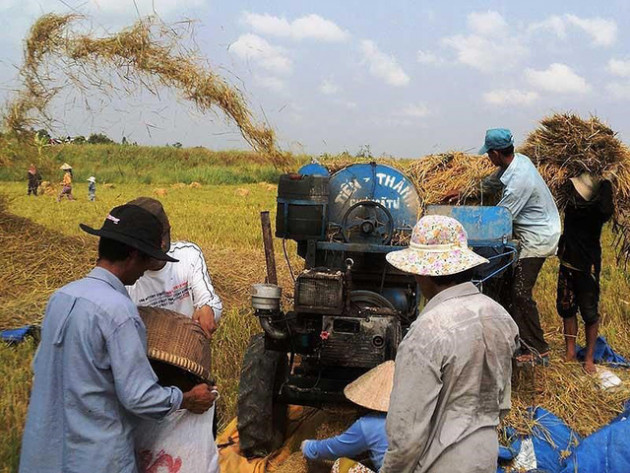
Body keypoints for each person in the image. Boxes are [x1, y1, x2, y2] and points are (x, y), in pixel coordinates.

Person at [19, 204, 217, 473]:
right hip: (97, 459)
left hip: (43, 456)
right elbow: (139, 397)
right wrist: (186, 398)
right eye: (146, 260)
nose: (145, 271)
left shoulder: (62, 297)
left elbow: (42, 370)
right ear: (133, 255)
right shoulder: (120, 311)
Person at [381, 215, 519, 473]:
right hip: (485, 457)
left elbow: (406, 432)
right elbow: (501, 403)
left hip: (440, 462)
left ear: (425, 274)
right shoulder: (500, 317)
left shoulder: (428, 331)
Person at [125, 197, 223, 473]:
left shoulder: (188, 255)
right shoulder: (131, 277)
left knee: (197, 455)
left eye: (162, 238)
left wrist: (207, 309)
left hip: (192, 371)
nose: (158, 249)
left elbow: (210, 299)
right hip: (152, 378)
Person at [479, 128, 561, 365]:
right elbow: (492, 183)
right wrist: (465, 192)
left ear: (495, 153)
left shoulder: (519, 181)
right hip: (530, 233)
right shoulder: (517, 162)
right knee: (506, 286)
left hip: (539, 237)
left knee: (520, 292)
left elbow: (501, 219)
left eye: (488, 154)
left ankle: (538, 350)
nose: (487, 158)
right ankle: (515, 341)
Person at [557, 173, 614, 374]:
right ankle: (570, 352)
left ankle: (589, 359)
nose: (573, 191)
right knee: (567, 309)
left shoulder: (597, 211)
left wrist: (606, 181)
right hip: (567, 263)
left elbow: (608, 208)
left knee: (589, 313)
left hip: (586, 268)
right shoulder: (571, 206)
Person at [301, 361, 393, 472]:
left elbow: (336, 449)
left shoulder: (369, 424)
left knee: (341, 466)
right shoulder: (415, 418)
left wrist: (308, 447)